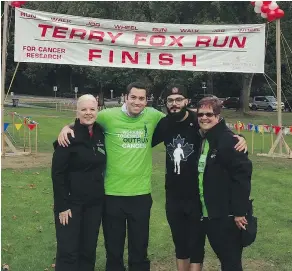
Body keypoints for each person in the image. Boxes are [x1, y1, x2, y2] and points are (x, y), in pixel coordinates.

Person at [57, 82, 165, 271]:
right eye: (133, 97)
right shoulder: (108, 116)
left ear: (147, 100)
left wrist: (231, 134)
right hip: (111, 195)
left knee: (139, 250)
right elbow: (85, 118)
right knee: (114, 251)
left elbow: (181, 121)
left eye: (141, 98)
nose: (137, 102)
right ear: (126, 97)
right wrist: (66, 128)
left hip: (141, 194)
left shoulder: (154, 116)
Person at [151, 85, 247, 271]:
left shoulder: (198, 121)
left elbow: (220, 129)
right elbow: (144, 139)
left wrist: (239, 137)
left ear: (187, 101)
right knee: (179, 242)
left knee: (196, 244)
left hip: (196, 196)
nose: (174, 104)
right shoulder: (164, 124)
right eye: (170, 100)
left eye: (179, 99)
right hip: (172, 194)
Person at [196, 97, 252, 271]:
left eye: (209, 114)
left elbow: (242, 176)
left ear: (218, 116)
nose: (204, 118)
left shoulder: (228, 139)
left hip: (227, 217)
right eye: (201, 114)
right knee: (225, 259)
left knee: (231, 263)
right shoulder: (205, 138)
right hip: (209, 214)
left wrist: (239, 212)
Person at [51, 94, 106, 271]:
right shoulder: (68, 136)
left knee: (88, 250)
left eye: (92, 109)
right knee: (69, 252)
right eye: (84, 109)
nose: (88, 113)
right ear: (77, 111)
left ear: (98, 110)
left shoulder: (100, 132)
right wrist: (62, 206)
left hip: (94, 204)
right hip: (70, 205)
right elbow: (57, 173)